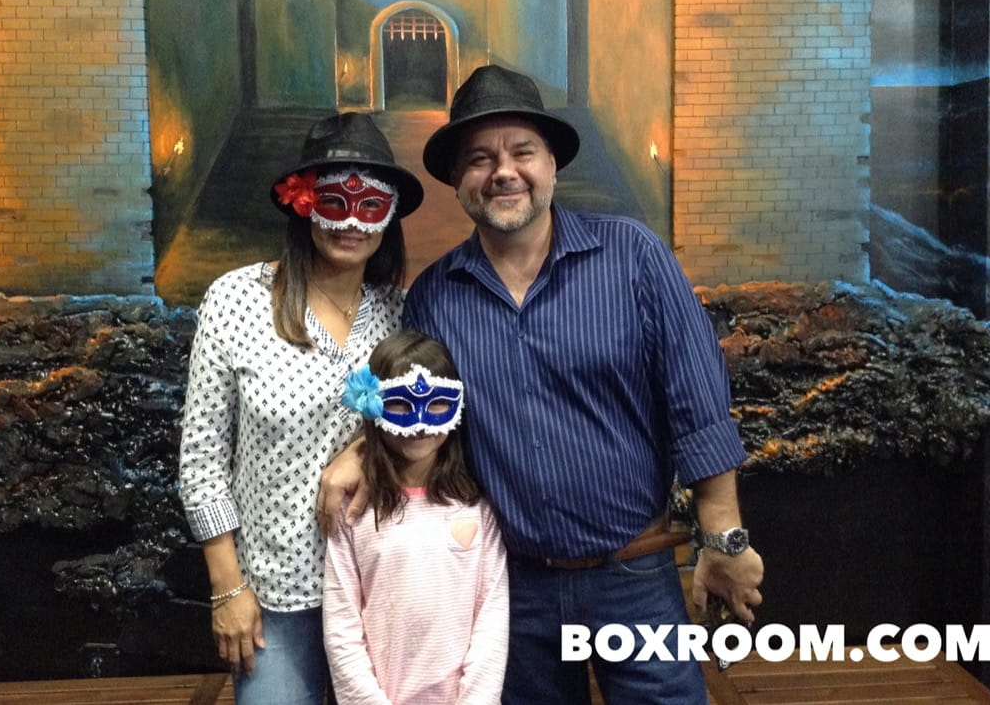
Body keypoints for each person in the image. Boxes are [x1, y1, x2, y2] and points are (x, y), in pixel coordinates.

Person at [319, 66, 763, 704]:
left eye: (522, 152)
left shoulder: (634, 256)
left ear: (552, 164)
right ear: (457, 180)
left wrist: (723, 537)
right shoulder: (434, 297)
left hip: (635, 575)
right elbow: (418, 411)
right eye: (480, 159)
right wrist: (359, 448)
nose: (503, 171)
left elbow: (698, 404)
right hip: (512, 589)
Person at [178, 112, 424, 705]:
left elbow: (426, 429)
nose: (351, 222)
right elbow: (202, 459)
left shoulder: (403, 312)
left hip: (381, 588)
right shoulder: (236, 300)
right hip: (275, 596)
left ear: (389, 215)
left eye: (369, 206)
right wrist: (227, 587)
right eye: (334, 201)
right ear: (303, 202)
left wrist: (362, 448)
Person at [323, 330, 508, 704]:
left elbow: (491, 622)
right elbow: (342, 626)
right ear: (373, 405)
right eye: (400, 404)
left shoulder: (478, 508)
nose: (420, 421)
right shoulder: (355, 512)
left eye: (437, 403)